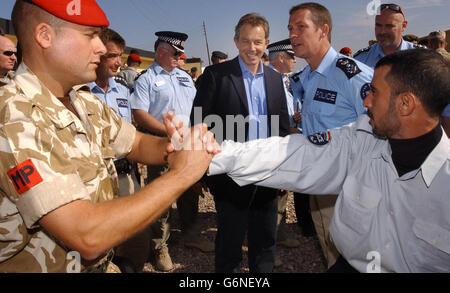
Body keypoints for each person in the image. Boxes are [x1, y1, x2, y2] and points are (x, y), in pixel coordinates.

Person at [0, 0, 217, 273]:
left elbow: (136, 142)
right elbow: (86, 235)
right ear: (45, 36)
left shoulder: (82, 101)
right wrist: (182, 175)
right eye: (90, 35)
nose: (102, 48)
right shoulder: (13, 116)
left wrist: (177, 144)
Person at [204, 48, 450, 273]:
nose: (366, 102)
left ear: (406, 103)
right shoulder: (361, 141)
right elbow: (291, 153)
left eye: (374, 92)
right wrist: (210, 155)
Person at [191, 13, 291, 273]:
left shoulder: (274, 79)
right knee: (230, 242)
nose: (251, 48)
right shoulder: (216, 75)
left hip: (267, 174)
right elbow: (199, 124)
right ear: (236, 41)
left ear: (266, 43)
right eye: (245, 41)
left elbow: (281, 127)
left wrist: (284, 171)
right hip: (230, 175)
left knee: (265, 241)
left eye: (257, 42)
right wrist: (202, 169)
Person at [288, 2, 373, 268]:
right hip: (318, 177)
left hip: (346, 184)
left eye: (301, 27)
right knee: (328, 245)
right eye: (290, 28)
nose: (293, 35)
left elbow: (379, 129)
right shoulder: (308, 76)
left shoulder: (351, 75)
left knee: (349, 255)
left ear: (323, 30)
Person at [131, 31, 214, 271]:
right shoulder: (146, 79)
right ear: (161, 52)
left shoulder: (185, 77)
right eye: (177, 53)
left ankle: (191, 235)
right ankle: (160, 247)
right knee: (163, 196)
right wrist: (168, 131)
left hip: (188, 143)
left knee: (190, 191)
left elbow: (197, 108)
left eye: (180, 53)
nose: (181, 56)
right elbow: (139, 113)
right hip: (162, 144)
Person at [266, 38, 301, 254]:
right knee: (269, 197)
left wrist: (292, 118)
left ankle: (278, 235)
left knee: (281, 193)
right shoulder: (268, 81)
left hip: (283, 143)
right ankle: (266, 247)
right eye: (292, 56)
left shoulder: (281, 80)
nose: (295, 60)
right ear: (280, 57)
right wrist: (288, 129)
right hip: (273, 147)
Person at [354, 3, 420, 68]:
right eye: (378, 25)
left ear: (403, 26)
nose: (382, 31)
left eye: (389, 26)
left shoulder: (421, 58)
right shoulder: (360, 60)